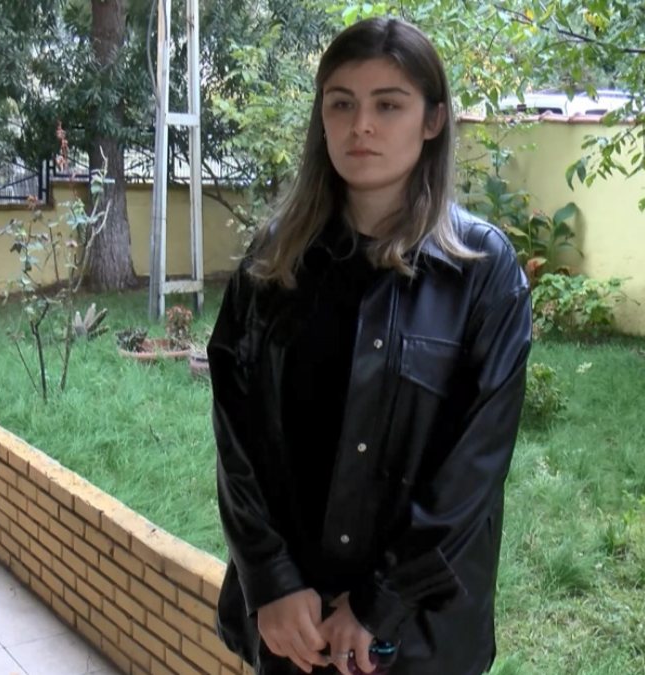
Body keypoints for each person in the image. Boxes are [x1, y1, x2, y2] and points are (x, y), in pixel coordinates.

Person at [208, 16, 531, 675]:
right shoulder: (274, 262)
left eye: (388, 105)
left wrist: (377, 604)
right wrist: (270, 577)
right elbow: (236, 436)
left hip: (417, 636)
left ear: (433, 119)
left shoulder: (482, 271)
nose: (361, 126)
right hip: (294, 629)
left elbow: (472, 469)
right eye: (341, 104)